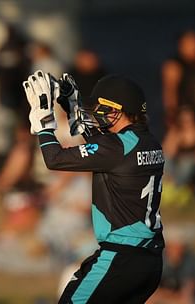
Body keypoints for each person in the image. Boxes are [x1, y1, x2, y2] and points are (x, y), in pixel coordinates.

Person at [23, 71, 165, 303]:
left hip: (121, 257)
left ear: (116, 110)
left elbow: (54, 159)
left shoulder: (117, 147)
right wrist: (71, 108)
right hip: (150, 259)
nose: (95, 113)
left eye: (101, 107)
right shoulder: (149, 142)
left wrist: (44, 123)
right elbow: (104, 148)